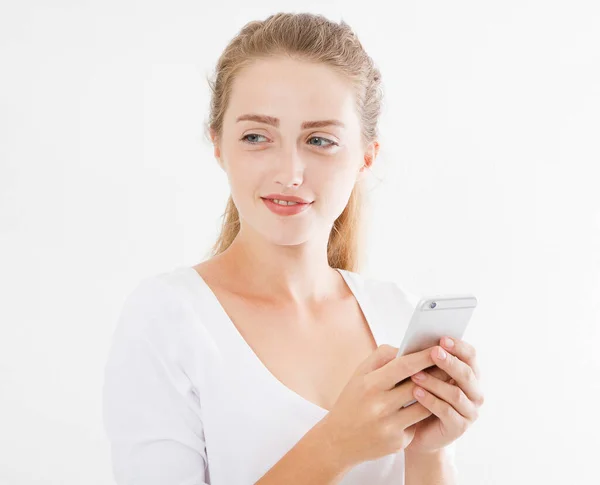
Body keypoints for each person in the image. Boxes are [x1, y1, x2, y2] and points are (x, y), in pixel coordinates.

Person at [102, 12, 484, 485]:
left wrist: (430, 451)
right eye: (257, 137)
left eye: (320, 140)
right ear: (218, 144)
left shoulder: (398, 314)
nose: (290, 172)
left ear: (367, 156)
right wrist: (336, 444)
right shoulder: (168, 318)